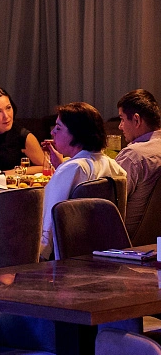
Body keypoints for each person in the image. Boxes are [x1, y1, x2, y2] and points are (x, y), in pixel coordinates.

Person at [39, 102, 126, 259]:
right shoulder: (114, 166)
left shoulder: (72, 169)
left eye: (58, 128)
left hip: (65, 256)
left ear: (77, 133)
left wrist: (39, 256)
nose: (52, 132)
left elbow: (49, 223)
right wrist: (61, 166)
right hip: (102, 252)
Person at [115, 89, 161, 235]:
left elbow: (107, 204)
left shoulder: (133, 156)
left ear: (136, 120)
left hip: (126, 242)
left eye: (122, 119)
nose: (120, 126)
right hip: (155, 240)